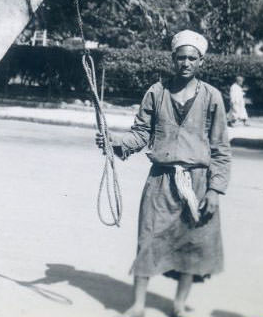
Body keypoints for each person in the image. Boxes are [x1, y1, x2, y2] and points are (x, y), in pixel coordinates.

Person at [96, 29, 231, 317]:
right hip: (161, 181)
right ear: (173, 59)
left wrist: (215, 190)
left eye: (191, 58)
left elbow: (221, 147)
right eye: (180, 57)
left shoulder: (212, 98)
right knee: (148, 239)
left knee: (193, 243)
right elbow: (140, 133)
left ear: (201, 62)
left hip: (198, 182)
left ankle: (180, 304)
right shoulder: (156, 93)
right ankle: (139, 304)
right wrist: (117, 141)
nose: (185, 63)